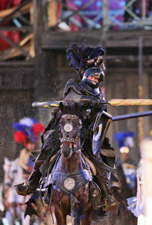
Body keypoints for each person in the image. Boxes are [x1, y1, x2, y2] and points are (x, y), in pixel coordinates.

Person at [15, 41, 120, 210]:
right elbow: (69, 105)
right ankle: (32, 184)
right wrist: (88, 103)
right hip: (66, 129)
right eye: (93, 77)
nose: (96, 80)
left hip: (86, 133)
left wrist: (99, 106)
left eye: (97, 78)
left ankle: (106, 195)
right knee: (46, 152)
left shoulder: (100, 95)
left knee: (100, 159)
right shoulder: (74, 86)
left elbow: (100, 116)